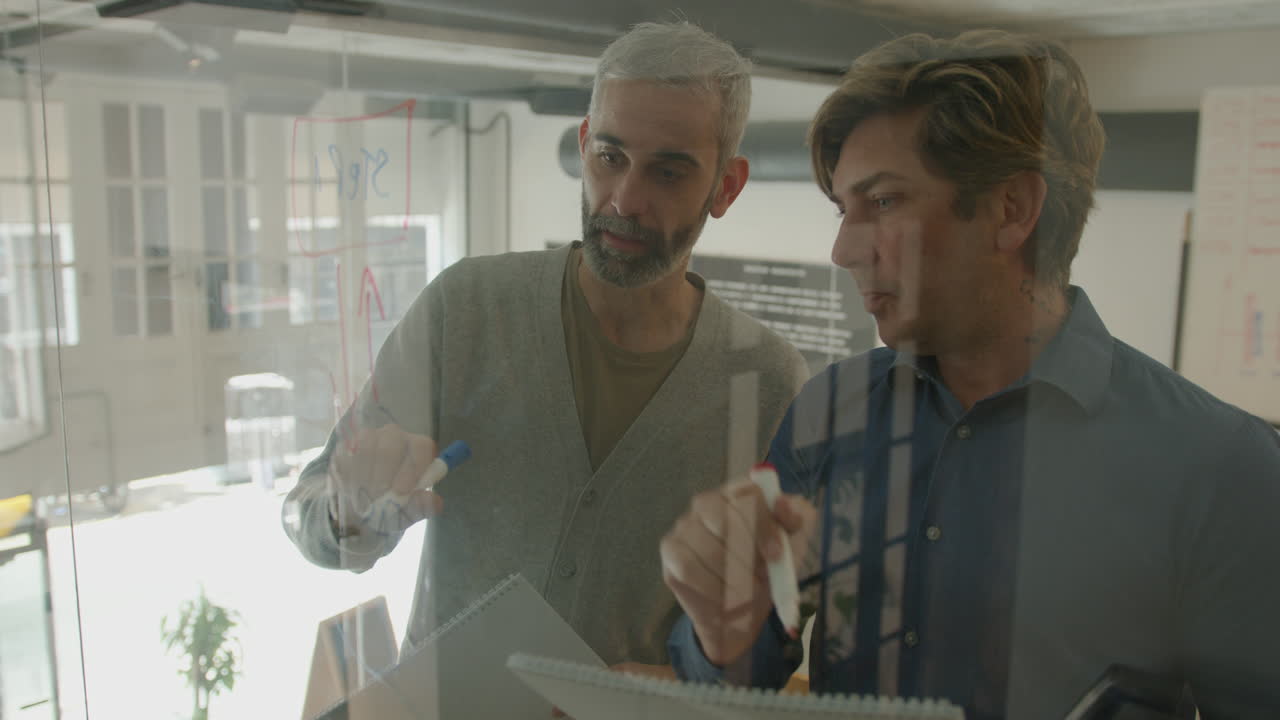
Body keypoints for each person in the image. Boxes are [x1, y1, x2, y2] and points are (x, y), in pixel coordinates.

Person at [660, 29, 1280, 718]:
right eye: (844, 209)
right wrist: (721, 637)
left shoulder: (1223, 470)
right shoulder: (830, 412)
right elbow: (732, 681)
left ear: (1012, 209)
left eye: (885, 202)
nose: (843, 249)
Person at [283, 20, 808, 667]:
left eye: (668, 173)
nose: (624, 199)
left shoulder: (767, 381)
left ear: (725, 186)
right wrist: (347, 513)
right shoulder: (465, 310)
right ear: (585, 144)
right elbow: (305, 515)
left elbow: (783, 627)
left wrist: (702, 674)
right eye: (610, 157)